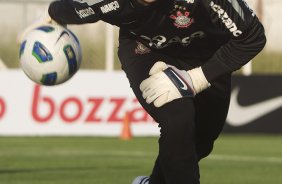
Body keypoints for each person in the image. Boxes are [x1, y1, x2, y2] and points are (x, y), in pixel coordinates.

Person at [22, 0, 266, 183]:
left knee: (201, 143)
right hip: (147, 52)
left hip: (208, 57)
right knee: (178, 119)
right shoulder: (106, 3)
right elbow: (73, 9)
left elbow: (253, 37)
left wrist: (195, 79)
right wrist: (52, 14)